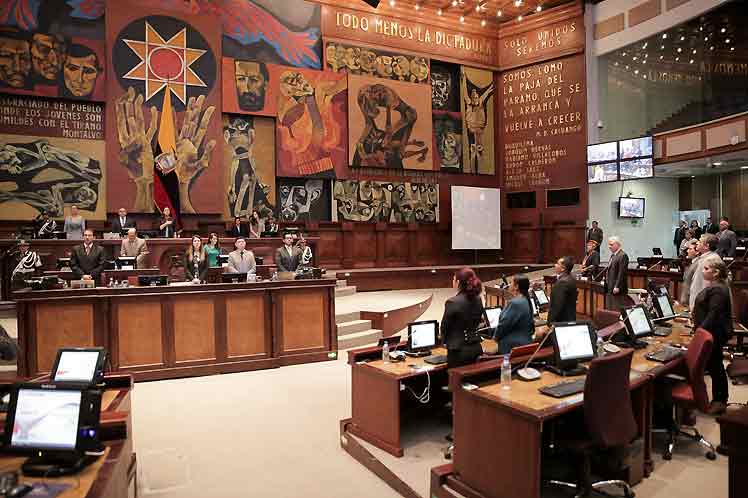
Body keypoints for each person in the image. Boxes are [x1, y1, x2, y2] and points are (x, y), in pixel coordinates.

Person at [692, 254, 732, 414]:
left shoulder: (718, 289)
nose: (703, 271)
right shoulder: (717, 285)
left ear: (715, 273)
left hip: (713, 334)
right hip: (710, 333)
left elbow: (713, 314)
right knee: (713, 366)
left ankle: (720, 400)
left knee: (715, 367)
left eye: (706, 268)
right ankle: (718, 399)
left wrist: (700, 333)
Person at [441, 268, 486, 368]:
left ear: (458, 282)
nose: (452, 282)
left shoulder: (452, 302)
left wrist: (444, 342)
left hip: (458, 352)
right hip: (476, 348)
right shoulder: (478, 299)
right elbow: (478, 320)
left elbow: (444, 327)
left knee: (455, 381)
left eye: (453, 279)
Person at [493, 274, 535, 355]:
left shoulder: (515, 303)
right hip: (525, 342)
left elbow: (504, 324)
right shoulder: (526, 300)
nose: (509, 285)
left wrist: (495, 338)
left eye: (511, 282)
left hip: (512, 346)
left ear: (516, 286)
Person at [689, 234, 721, 310]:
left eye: (700, 241)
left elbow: (706, 285)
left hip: (702, 305)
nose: (697, 243)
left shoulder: (710, 260)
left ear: (707, 246)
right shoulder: (704, 258)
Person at [548, 257, 577, 324]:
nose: (555, 265)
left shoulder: (562, 282)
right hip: (570, 318)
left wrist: (549, 323)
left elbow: (557, 306)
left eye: (557, 264)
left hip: (562, 321)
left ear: (563, 268)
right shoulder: (571, 278)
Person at [605, 236, 629, 310]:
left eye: (611, 244)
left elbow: (621, 273)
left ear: (617, 244)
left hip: (617, 288)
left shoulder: (623, 255)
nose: (609, 247)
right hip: (610, 286)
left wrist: (617, 286)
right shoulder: (613, 255)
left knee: (617, 309)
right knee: (611, 308)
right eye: (609, 244)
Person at [678, 239, 700, 305]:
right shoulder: (691, 264)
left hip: (692, 300)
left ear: (697, 252)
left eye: (690, 249)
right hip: (687, 300)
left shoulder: (698, 264)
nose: (687, 251)